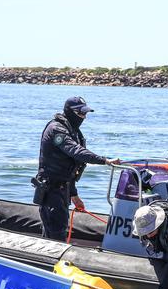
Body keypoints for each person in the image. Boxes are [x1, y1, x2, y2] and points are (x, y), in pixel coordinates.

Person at [35, 96, 120, 240]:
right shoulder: (57, 129)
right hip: (51, 190)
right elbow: (76, 151)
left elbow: (70, 167)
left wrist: (74, 195)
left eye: (86, 113)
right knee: (55, 230)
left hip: (64, 189)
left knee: (59, 227)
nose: (84, 117)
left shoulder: (73, 130)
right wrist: (104, 160)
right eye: (81, 113)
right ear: (70, 111)